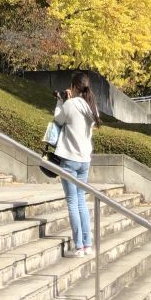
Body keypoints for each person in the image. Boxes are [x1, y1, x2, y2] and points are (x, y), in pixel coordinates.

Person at [50, 72, 99, 257]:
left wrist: (60, 102)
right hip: (84, 160)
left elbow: (58, 120)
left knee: (72, 202)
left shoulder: (70, 104)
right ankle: (87, 244)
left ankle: (79, 245)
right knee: (81, 202)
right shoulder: (91, 107)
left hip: (69, 159)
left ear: (74, 86)